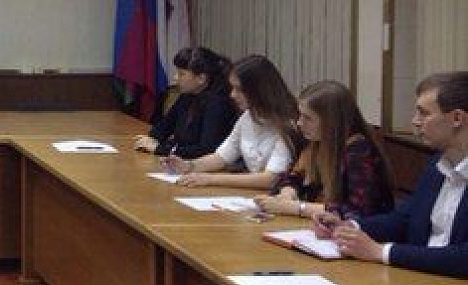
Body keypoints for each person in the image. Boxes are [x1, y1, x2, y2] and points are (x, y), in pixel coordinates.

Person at [313, 72, 468, 278]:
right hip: (420, 275)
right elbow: (405, 219)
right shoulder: (437, 165)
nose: (415, 121)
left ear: (457, 118)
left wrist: (381, 252)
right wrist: (349, 227)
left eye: (424, 114)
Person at [254, 80, 393, 220]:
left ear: (332, 121)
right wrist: (288, 193)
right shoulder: (317, 144)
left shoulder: (360, 152)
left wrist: (297, 208)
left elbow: (358, 211)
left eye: (307, 118)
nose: (299, 123)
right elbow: (292, 177)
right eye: (300, 115)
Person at [165, 54, 298, 190]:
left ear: (259, 90)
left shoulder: (287, 124)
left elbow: (271, 179)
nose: (232, 95)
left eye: (239, 89)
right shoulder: (247, 117)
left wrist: (210, 179)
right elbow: (221, 157)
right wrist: (189, 166)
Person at [133, 47, 239, 158]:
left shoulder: (218, 104)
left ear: (201, 79)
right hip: (185, 161)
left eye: (181, 74)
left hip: (210, 166)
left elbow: (206, 150)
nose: (175, 78)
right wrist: (152, 138)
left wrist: (160, 149)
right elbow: (165, 125)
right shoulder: (188, 95)